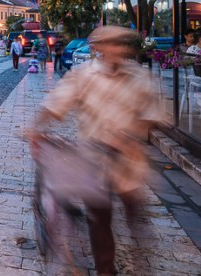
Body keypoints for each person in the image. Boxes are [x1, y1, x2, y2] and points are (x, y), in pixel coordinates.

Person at [26, 26, 164, 276]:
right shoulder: (84, 75)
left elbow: (152, 115)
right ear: (97, 47)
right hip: (94, 156)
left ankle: (142, 255)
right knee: (99, 218)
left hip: (129, 156)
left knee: (134, 210)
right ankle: (105, 270)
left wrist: (133, 131)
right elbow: (57, 102)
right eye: (108, 44)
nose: (115, 49)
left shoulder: (139, 76)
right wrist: (36, 128)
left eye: (120, 44)